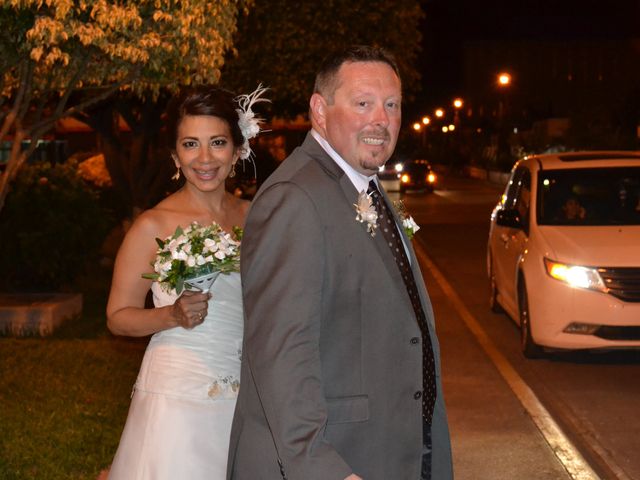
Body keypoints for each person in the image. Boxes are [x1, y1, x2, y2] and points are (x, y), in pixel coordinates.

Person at [228, 46, 452, 480]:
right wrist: (322, 469)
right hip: (337, 460)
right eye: (363, 103)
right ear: (319, 109)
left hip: (390, 449)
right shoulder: (295, 198)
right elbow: (281, 353)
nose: (381, 120)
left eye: (392, 105)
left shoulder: (366, 187)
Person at [105, 85, 266, 479]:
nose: (205, 158)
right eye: (191, 144)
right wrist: (171, 316)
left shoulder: (257, 215)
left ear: (237, 148)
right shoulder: (152, 225)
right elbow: (117, 317)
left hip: (249, 388)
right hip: (178, 394)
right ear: (176, 155)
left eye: (217, 142)